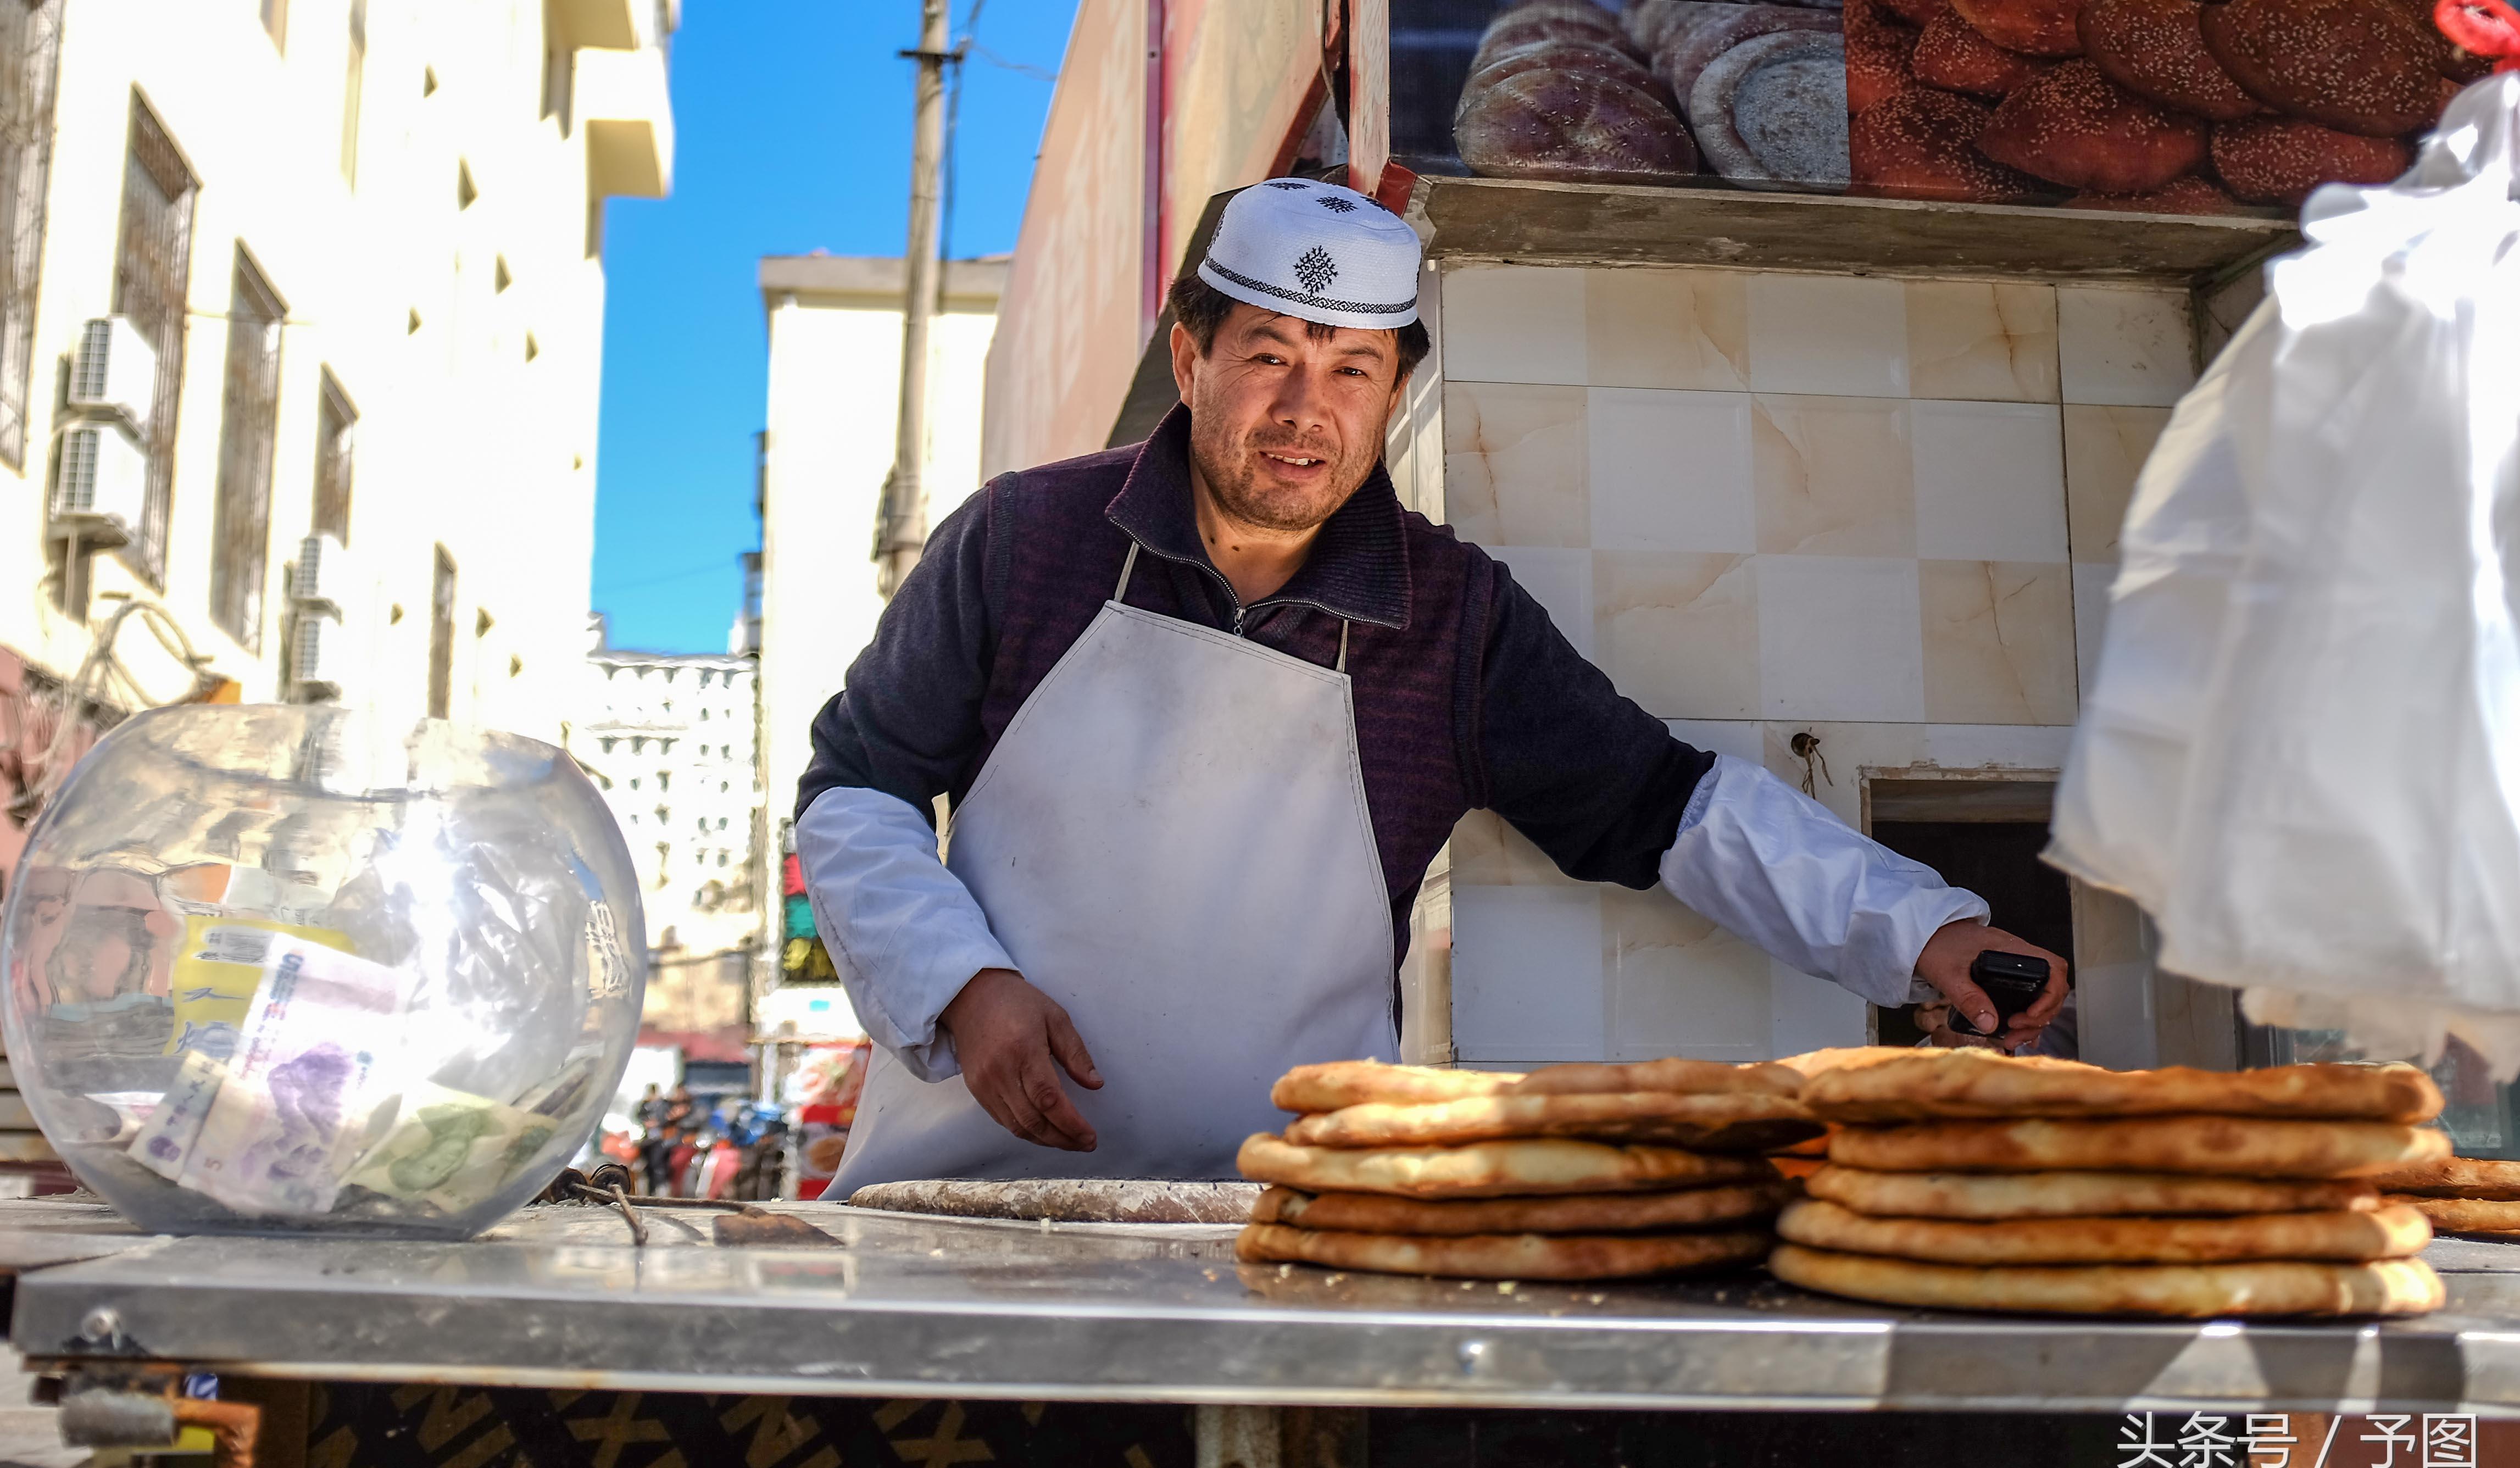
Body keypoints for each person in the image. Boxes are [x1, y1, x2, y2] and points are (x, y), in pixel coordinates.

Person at [798, 180, 2070, 1189]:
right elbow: (854, 790)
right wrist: (962, 987)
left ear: (1392, 397)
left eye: (1351, 368)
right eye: (1269, 357)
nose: (1306, 408)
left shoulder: (1449, 618)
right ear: (1189, 362)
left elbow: (1664, 806)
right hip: (965, 1200)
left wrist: (1920, 930)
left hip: (1277, 1221)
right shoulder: (1027, 540)